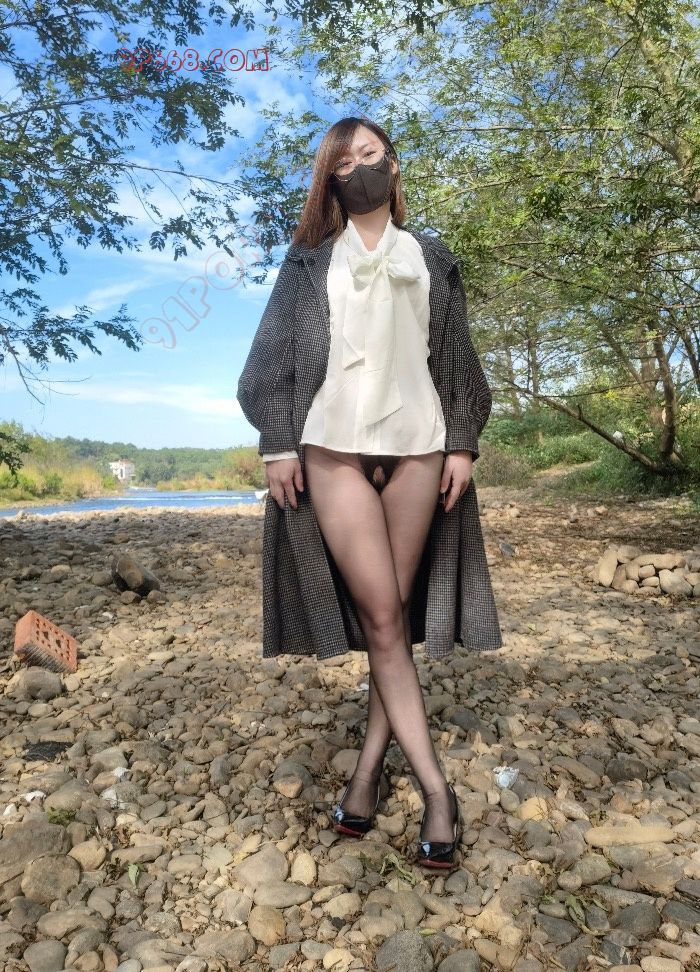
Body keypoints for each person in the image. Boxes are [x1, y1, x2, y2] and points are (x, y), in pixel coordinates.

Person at [237, 115, 503, 869]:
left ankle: (366, 773)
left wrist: (462, 443)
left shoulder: (433, 256)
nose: (360, 167)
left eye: (371, 154)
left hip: (418, 445)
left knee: (393, 622)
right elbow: (271, 360)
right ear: (330, 178)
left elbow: (455, 358)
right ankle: (438, 792)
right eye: (345, 160)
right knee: (383, 616)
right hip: (333, 447)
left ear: (393, 165)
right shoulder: (306, 261)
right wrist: (277, 443)